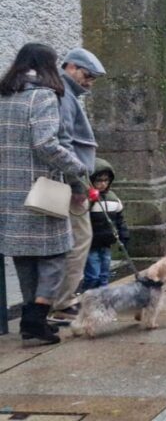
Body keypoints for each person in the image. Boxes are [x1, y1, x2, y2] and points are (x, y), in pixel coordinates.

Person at [0, 43, 89, 344]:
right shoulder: (43, 95)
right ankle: (37, 317)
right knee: (55, 255)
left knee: (23, 256)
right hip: (42, 190)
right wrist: (78, 169)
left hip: (8, 193)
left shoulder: (4, 95)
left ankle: (30, 320)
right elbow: (46, 144)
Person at [50, 47, 106, 325]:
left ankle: (57, 300)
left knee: (70, 241)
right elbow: (65, 142)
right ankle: (62, 302)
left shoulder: (64, 92)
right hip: (71, 184)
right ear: (70, 67)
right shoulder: (63, 94)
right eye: (87, 75)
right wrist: (77, 185)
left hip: (67, 182)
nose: (90, 82)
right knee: (80, 239)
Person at [83, 158, 129, 291]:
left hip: (106, 242)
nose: (103, 184)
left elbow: (120, 220)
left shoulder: (113, 199)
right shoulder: (86, 198)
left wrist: (124, 235)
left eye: (106, 180)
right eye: (99, 181)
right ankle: (88, 295)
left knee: (104, 275)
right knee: (93, 275)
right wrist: (90, 201)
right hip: (91, 244)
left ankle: (103, 297)